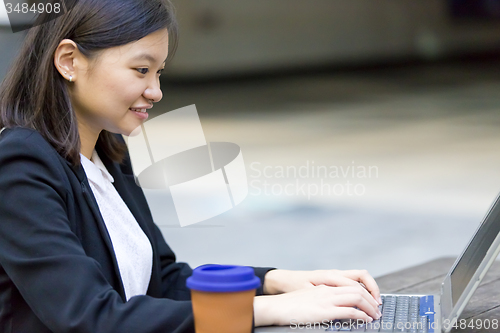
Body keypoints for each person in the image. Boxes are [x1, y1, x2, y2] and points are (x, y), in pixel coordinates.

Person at [0, 0, 383, 332]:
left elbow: (165, 280)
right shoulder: (20, 164)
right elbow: (91, 316)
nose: (156, 91)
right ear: (69, 61)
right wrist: (265, 310)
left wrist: (277, 282)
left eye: (159, 71)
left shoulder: (108, 150)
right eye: (140, 69)